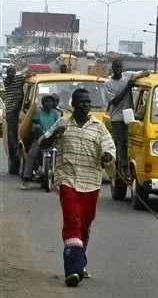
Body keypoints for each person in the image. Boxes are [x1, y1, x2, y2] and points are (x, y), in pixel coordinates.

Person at [39, 88, 116, 287]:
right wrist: (54, 134)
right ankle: (73, 270)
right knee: (72, 222)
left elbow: (109, 147)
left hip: (91, 183)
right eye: (82, 102)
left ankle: (80, 262)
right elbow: (43, 145)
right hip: (68, 180)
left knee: (84, 224)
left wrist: (107, 156)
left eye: (89, 102)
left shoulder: (99, 127)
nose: (86, 105)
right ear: (73, 104)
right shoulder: (62, 123)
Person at [104, 58, 149, 182]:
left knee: (130, 143)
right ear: (112, 68)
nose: (118, 70)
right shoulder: (108, 83)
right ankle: (122, 169)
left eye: (120, 68)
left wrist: (135, 79)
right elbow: (115, 101)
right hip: (117, 117)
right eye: (116, 68)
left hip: (129, 115)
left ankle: (129, 167)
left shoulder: (128, 75)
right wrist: (127, 87)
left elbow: (145, 72)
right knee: (121, 143)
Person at [20, 94, 61, 189]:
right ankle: (26, 179)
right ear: (43, 103)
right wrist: (39, 129)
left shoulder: (56, 113)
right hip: (41, 138)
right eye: (46, 101)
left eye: (50, 101)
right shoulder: (38, 111)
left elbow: (60, 123)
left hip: (53, 138)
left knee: (64, 153)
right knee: (32, 154)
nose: (48, 103)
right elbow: (34, 124)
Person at [3, 65, 27, 174]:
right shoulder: (7, 81)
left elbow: (27, 75)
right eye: (9, 72)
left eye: (12, 72)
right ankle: (15, 150)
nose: (11, 74)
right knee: (12, 132)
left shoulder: (18, 78)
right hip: (11, 110)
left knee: (20, 130)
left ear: (15, 72)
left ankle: (18, 148)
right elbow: (24, 77)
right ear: (7, 73)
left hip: (20, 108)